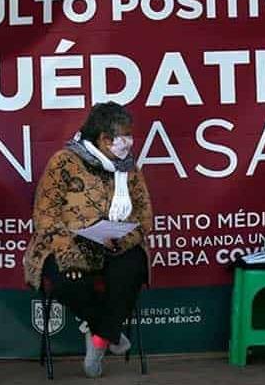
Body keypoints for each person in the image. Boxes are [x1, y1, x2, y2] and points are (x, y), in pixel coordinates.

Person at [24, 102, 152, 378]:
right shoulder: (64, 161)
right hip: (67, 243)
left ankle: (99, 337)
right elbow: (45, 215)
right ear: (103, 138)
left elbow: (144, 216)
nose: (129, 142)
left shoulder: (129, 168)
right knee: (67, 278)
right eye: (123, 136)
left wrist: (122, 240)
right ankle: (109, 333)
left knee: (132, 269)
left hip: (116, 243)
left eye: (130, 135)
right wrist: (67, 251)